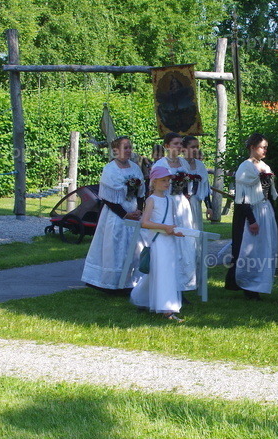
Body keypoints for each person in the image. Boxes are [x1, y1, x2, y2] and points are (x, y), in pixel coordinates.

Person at [80, 136, 144, 293]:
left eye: (130, 147)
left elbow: (141, 192)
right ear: (116, 150)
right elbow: (107, 197)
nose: (129, 151)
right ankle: (111, 283)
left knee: (135, 247)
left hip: (133, 211)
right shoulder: (110, 169)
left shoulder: (135, 168)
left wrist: (139, 210)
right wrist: (124, 215)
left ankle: (131, 282)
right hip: (116, 215)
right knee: (115, 247)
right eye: (125, 148)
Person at [226, 133, 278, 300]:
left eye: (266, 148)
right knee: (250, 250)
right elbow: (242, 198)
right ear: (252, 147)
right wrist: (252, 220)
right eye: (262, 147)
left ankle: (259, 283)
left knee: (263, 249)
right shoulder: (245, 168)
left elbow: (269, 192)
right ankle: (248, 286)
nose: (264, 150)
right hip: (251, 213)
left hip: (264, 210)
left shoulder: (265, 166)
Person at [130, 166, 186, 322]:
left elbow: (171, 222)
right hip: (158, 241)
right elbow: (145, 222)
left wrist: (175, 231)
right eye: (163, 180)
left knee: (166, 272)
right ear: (154, 182)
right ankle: (167, 309)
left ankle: (141, 298)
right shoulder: (151, 200)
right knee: (162, 273)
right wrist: (165, 228)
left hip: (169, 240)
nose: (167, 183)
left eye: (168, 180)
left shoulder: (170, 200)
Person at [151, 132, 197, 291]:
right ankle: (168, 286)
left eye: (180, 144)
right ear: (167, 146)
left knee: (185, 242)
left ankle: (183, 286)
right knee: (171, 243)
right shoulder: (160, 165)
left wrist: (186, 197)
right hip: (167, 204)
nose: (178, 147)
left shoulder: (184, 164)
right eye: (175, 144)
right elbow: (154, 188)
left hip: (182, 205)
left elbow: (188, 186)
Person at [182, 135, 213, 229]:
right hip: (181, 204)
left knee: (196, 228)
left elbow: (205, 187)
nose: (195, 150)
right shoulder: (179, 164)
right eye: (192, 147)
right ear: (184, 148)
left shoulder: (200, 166)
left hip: (195, 203)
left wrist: (209, 207)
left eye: (197, 147)